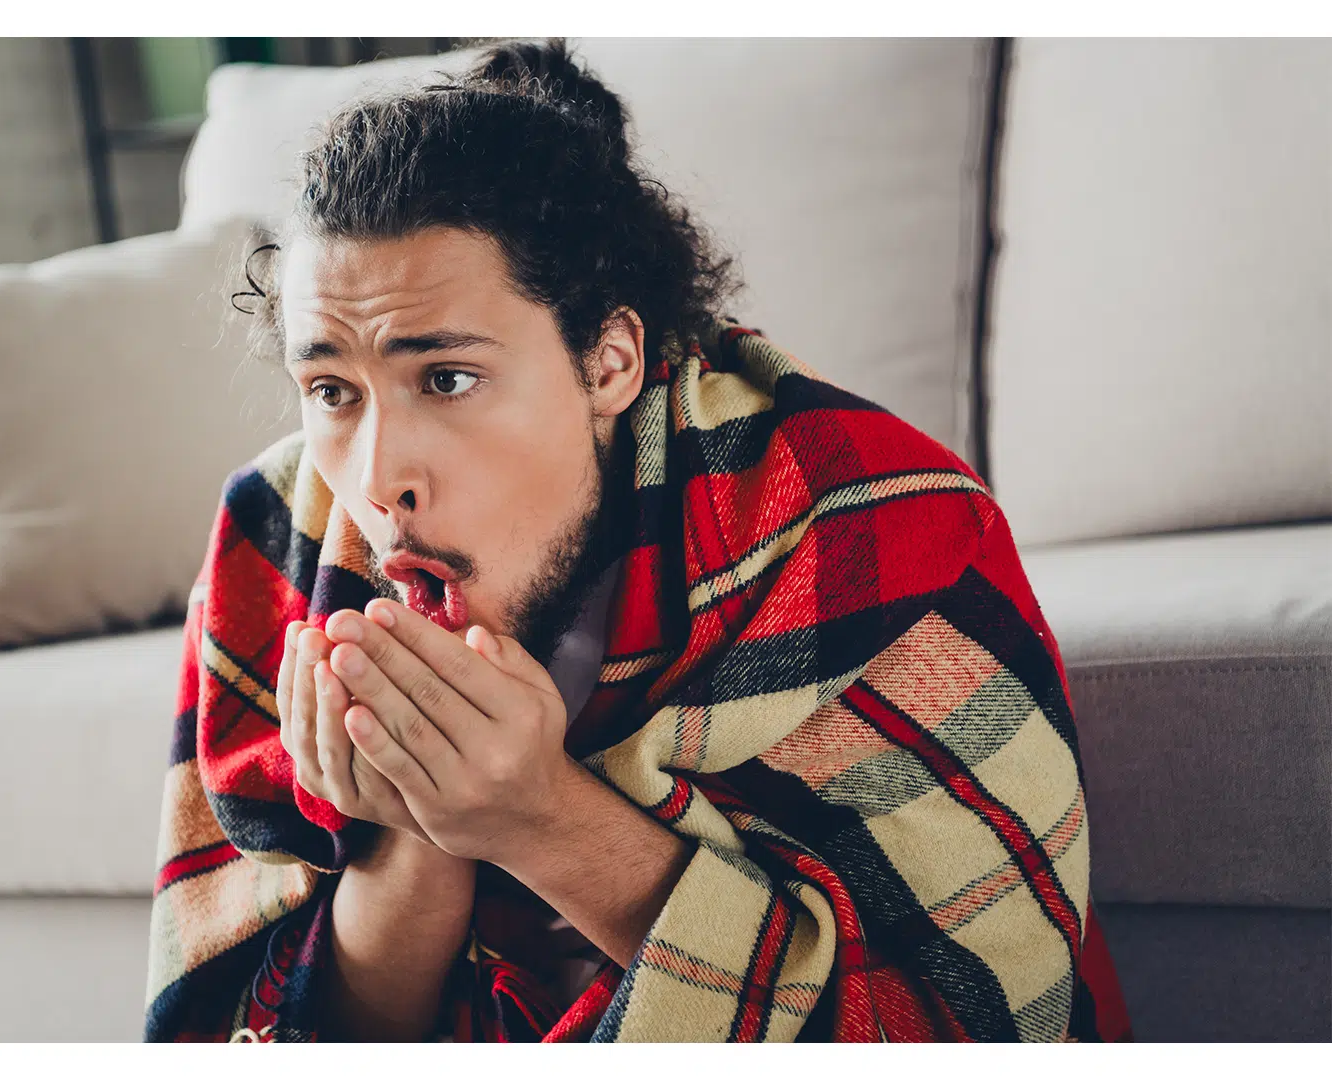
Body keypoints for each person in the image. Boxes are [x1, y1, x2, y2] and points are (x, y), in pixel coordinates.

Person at [143, 39, 1130, 1043]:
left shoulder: (866, 526)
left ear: (609, 361)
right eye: (332, 392)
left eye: (445, 378)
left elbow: (966, 1024)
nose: (377, 476)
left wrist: (535, 815)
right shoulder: (284, 536)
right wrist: (416, 830)